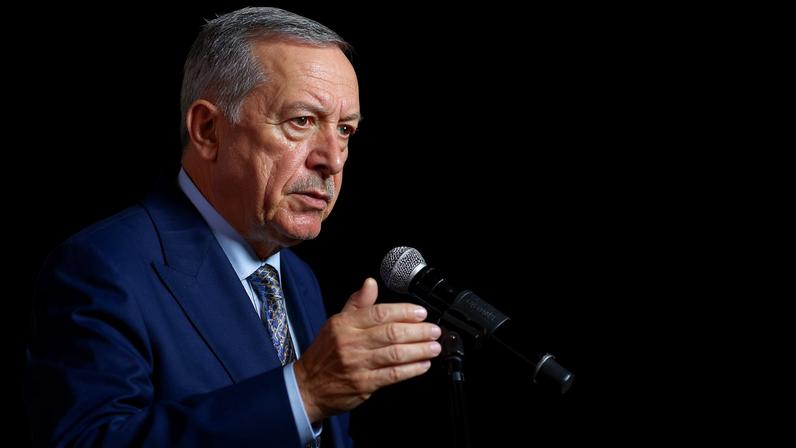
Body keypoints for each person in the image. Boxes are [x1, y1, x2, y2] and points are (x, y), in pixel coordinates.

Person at [25, 7, 442, 447]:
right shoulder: (102, 268)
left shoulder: (298, 279)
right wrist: (305, 393)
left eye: (344, 131)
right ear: (208, 130)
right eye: (301, 122)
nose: (332, 160)